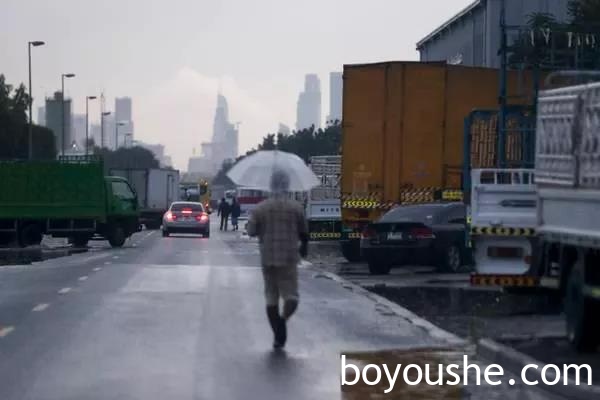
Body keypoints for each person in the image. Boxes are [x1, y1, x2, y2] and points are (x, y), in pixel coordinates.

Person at [247, 170, 309, 349]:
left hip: (268, 258)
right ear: (288, 186)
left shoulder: (261, 208)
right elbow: (304, 232)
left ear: (271, 186)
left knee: (271, 297)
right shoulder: (296, 207)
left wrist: (261, 229)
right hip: (289, 258)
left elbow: (251, 231)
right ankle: (283, 320)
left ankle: (278, 334)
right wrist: (304, 247)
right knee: (291, 296)